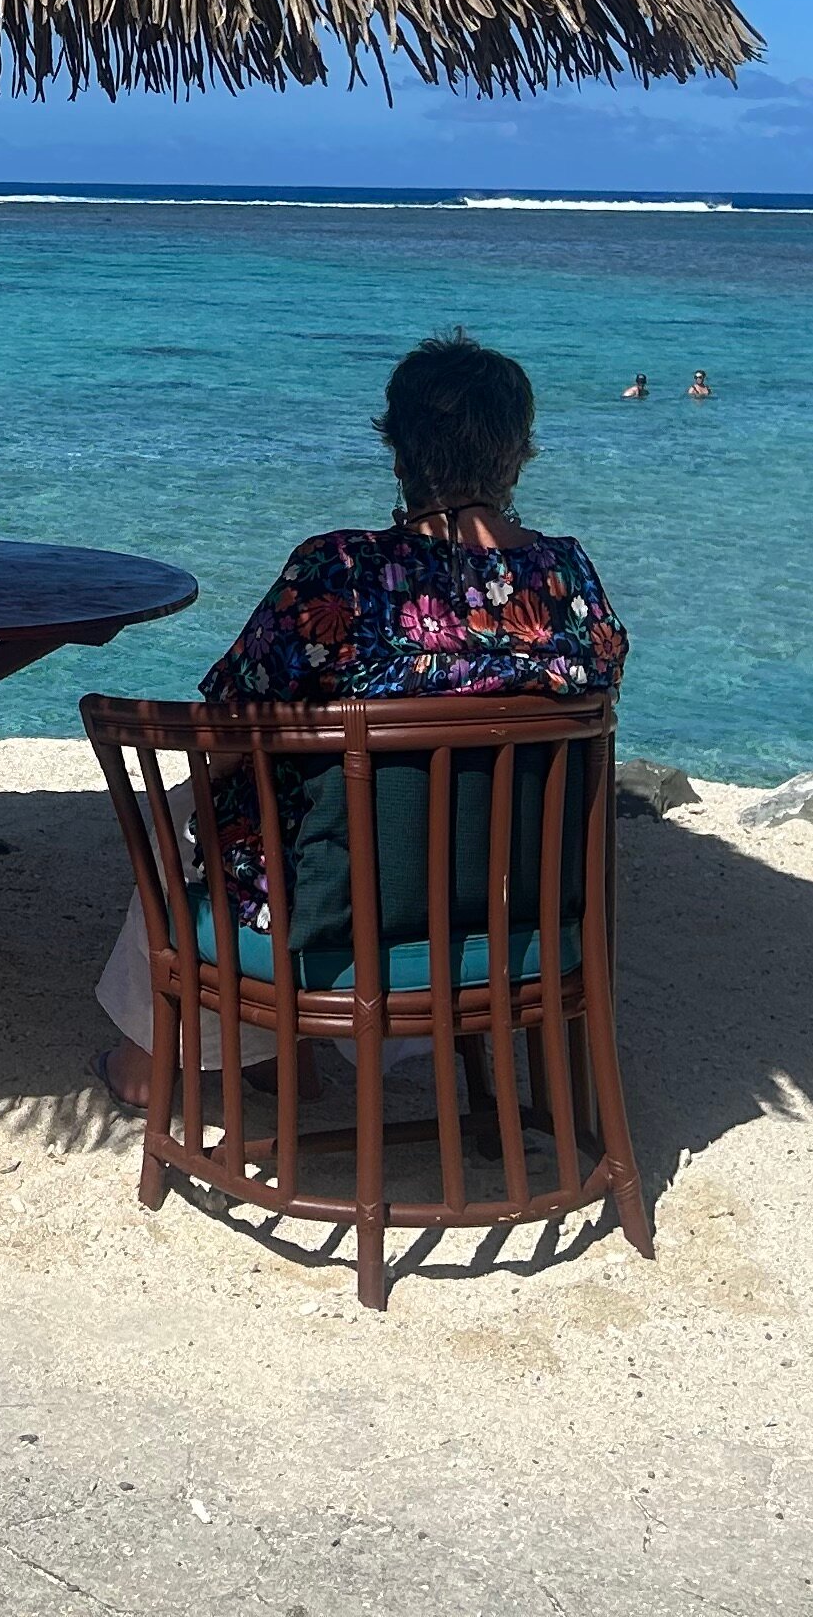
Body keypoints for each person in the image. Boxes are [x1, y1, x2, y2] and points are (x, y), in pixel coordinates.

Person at [94, 331, 625, 1110]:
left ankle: (163, 1067)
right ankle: (278, 1055)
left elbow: (229, 717)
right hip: (511, 897)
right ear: (519, 454)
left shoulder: (340, 570)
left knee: (190, 819)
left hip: (343, 900)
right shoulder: (569, 576)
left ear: (400, 451)